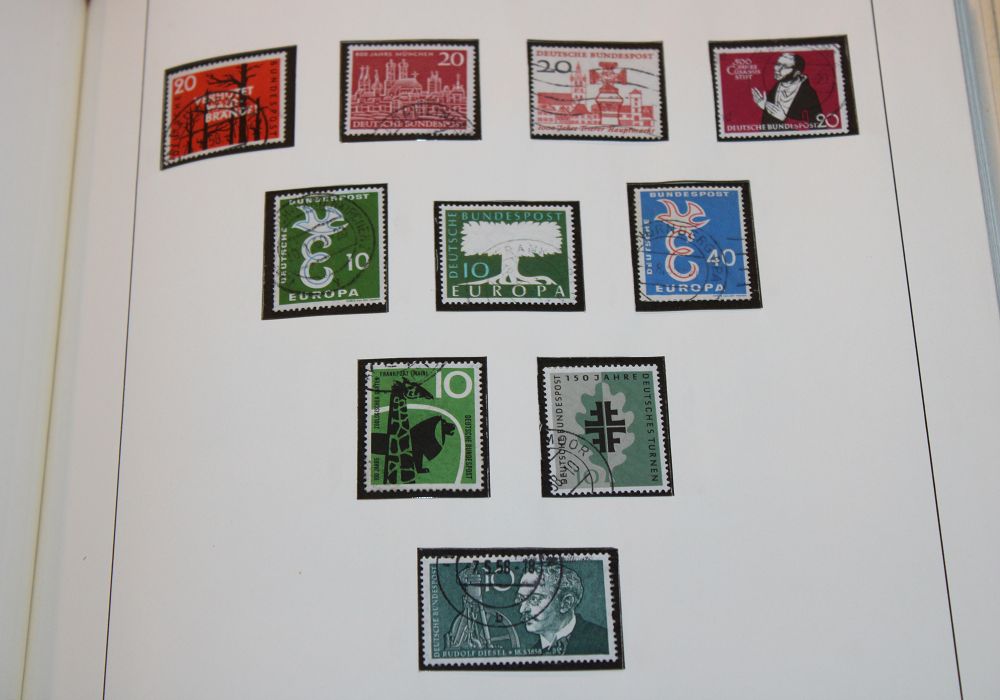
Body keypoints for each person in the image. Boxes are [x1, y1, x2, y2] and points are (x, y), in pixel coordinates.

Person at [517, 563, 608, 654]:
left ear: (566, 603)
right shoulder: (530, 656)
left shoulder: (604, 641)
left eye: (534, 599)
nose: (522, 609)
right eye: (521, 599)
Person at [750, 52, 822, 126]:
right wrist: (765, 107)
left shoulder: (809, 94)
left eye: (785, 67)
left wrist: (785, 119)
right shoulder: (774, 90)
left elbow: (818, 125)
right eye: (778, 64)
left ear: (797, 73)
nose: (778, 69)